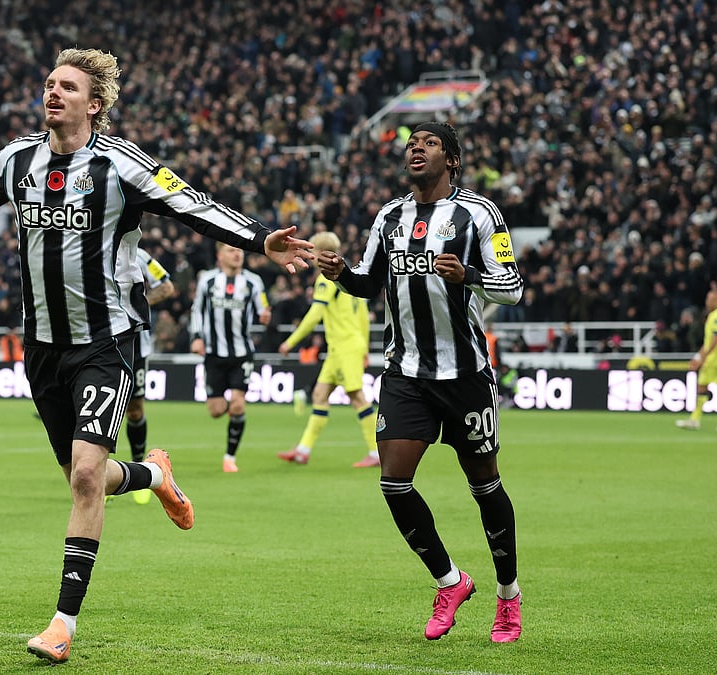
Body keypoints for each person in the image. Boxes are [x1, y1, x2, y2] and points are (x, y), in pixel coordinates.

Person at [0, 48, 313, 665]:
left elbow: (193, 203)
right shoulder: (19, 159)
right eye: (49, 83)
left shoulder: (122, 164)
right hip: (41, 347)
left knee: (87, 476)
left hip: (105, 341)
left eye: (67, 86)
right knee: (83, 476)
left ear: (95, 103)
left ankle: (62, 623)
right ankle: (154, 476)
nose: (53, 92)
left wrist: (259, 238)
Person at [317, 122, 525, 643]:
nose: (416, 148)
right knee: (393, 481)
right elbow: (368, 282)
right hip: (406, 372)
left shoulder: (480, 213)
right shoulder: (389, 216)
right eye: (411, 143)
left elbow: (512, 288)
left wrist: (469, 275)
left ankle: (508, 595)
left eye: (429, 143)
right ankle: (450, 581)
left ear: (451, 159)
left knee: (485, 486)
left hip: (465, 375)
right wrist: (340, 271)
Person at [277, 231, 380, 468]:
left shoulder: (326, 278)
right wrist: (364, 346)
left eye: (310, 251)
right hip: (344, 347)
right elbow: (363, 314)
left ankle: (376, 452)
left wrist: (290, 342)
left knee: (357, 397)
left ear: (319, 252)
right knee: (320, 395)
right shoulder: (350, 275)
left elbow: (316, 313)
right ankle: (303, 450)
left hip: (345, 347)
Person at [191, 241, 271, 473]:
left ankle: (229, 457)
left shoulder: (253, 282)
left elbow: (263, 307)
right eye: (231, 250)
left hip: (242, 353)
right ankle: (234, 413)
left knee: (237, 403)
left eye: (239, 250)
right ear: (220, 255)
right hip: (214, 354)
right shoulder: (207, 280)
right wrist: (196, 337)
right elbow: (197, 310)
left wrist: (265, 315)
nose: (237, 254)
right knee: (216, 410)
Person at [120, 248, 177, 504]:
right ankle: (100, 475)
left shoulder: (140, 257)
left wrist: (137, 303)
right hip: (98, 344)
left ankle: (138, 471)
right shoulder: (88, 246)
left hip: (135, 347)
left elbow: (166, 287)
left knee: (134, 410)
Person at [677, 288, 717, 431]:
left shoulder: (716, 317)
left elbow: (715, 339)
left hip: (715, 360)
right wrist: (698, 356)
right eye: (708, 299)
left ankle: (695, 420)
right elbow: (709, 341)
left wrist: (702, 357)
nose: (709, 302)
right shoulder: (715, 316)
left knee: (703, 388)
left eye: (712, 300)